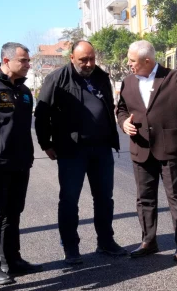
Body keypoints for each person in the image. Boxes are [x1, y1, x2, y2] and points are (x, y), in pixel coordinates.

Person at [116, 41, 177, 262]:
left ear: (147, 61)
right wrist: (124, 123)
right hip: (140, 147)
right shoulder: (128, 82)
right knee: (144, 199)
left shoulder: (173, 77)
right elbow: (121, 109)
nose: (129, 65)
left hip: (169, 148)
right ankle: (148, 241)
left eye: (132, 61)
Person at [34, 40, 126, 265]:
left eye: (92, 58)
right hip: (71, 150)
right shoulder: (56, 79)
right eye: (83, 59)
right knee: (69, 200)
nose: (88, 63)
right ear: (72, 58)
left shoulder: (102, 77)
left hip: (102, 149)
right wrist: (46, 143)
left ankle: (106, 241)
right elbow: (42, 114)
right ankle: (71, 247)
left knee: (105, 198)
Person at [0, 42, 42, 284]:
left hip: (20, 161)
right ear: (6, 61)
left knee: (14, 212)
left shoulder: (24, 91)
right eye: (23, 61)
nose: (28, 65)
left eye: (28, 61)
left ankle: (12, 260)